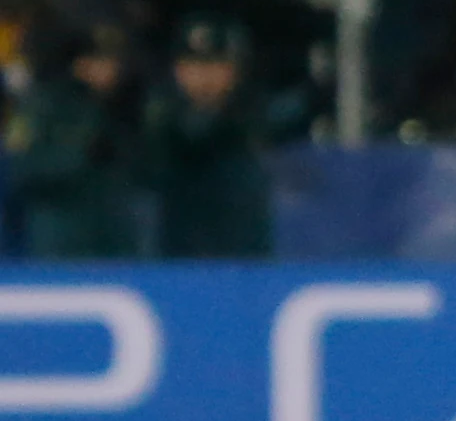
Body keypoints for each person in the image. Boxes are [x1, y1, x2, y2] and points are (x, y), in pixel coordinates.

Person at [7, 21, 141, 256]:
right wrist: (81, 155)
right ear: (79, 64)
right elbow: (22, 167)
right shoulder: (46, 104)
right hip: (60, 231)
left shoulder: (128, 105)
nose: (109, 69)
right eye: (99, 60)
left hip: (116, 232)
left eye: (113, 61)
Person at [144, 14, 270, 256]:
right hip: (169, 262)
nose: (204, 76)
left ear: (236, 70)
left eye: (216, 64)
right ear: (176, 70)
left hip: (244, 265)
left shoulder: (257, 117)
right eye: (193, 65)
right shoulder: (157, 121)